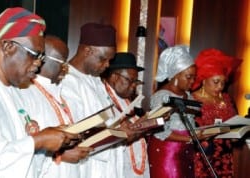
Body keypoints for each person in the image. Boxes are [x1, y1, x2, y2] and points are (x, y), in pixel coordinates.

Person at [0, 7, 78, 177]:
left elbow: (13, 155)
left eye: (41, 58)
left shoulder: (11, 89)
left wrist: (44, 138)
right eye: (35, 55)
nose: (38, 64)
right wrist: (36, 142)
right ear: (9, 46)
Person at [12, 35, 91, 178]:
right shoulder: (25, 92)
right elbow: (21, 144)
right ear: (43, 60)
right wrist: (58, 154)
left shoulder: (63, 92)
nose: (66, 68)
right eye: (62, 62)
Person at [60, 22, 120, 178]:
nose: (107, 65)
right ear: (87, 51)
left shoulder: (96, 80)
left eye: (110, 60)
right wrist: (115, 131)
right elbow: (78, 129)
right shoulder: (67, 80)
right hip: (87, 165)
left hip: (107, 163)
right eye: (103, 59)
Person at [148, 45, 197, 178]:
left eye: (194, 77)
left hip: (186, 149)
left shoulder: (188, 95)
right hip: (167, 151)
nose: (193, 81)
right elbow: (160, 131)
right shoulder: (161, 97)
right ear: (176, 75)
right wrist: (189, 138)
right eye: (189, 77)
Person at [191, 48, 241, 178]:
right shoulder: (192, 100)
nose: (219, 87)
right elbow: (188, 132)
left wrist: (237, 134)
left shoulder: (227, 99)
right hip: (202, 159)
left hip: (225, 159)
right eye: (216, 82)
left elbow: (236, 124)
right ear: (203, 79)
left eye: (223, 83)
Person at [100, 52, 151, 178]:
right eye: (130, 80)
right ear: (114, 77)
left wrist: (145, 123)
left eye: (136, 81)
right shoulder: (100, 97)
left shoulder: (126, 100)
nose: (134, 86)